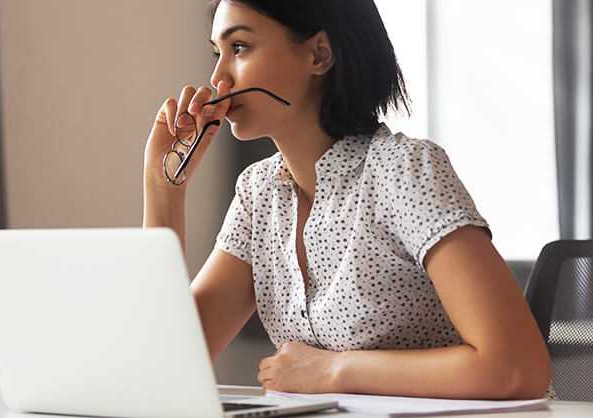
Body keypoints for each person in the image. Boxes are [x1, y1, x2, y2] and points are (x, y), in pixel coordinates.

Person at [142, 0, 552, 400]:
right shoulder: (258, 193)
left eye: (240, 48)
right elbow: (166, 364)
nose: (218, 79)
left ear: (319, 54)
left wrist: (334, 370)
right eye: (217, 53)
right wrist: (164, 187)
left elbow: (517, 367)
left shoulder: (402, 170)